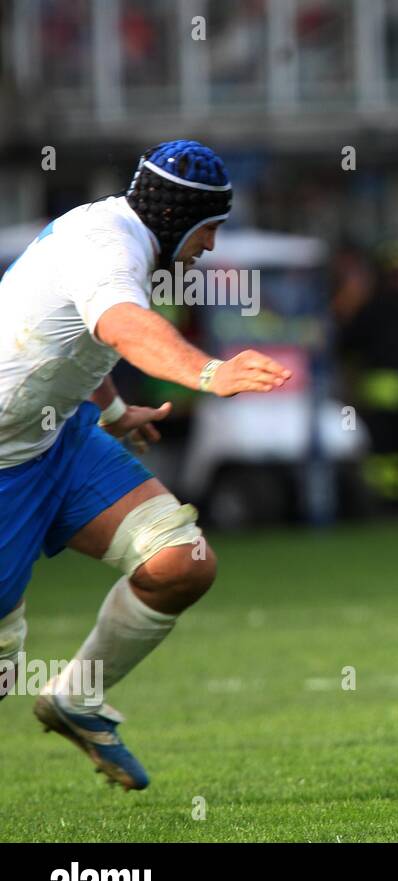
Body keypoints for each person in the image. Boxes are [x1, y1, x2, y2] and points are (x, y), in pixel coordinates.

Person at [0, 140, 293, 790]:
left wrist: (109, 411)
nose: (211, 245)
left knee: (179, 562)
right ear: (182, 217)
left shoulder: (114, 233)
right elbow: (124, 326)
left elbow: (70, 337)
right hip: (5, 465)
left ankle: (77, 697)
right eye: (210, 227)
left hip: (61, 439)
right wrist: (211, 372)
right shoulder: (111, 247)